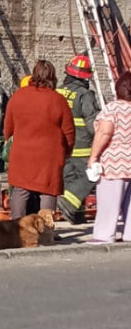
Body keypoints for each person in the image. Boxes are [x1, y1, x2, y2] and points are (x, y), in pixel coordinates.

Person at [4, 60, 75, 219]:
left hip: (22, 152)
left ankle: (17, 228)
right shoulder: (58, 100)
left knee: (20, 190)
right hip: (49, 154)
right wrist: (68, 150)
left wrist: (9, 141)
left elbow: (8, 127)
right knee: (48, 190)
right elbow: (69, 131)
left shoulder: (18, 96)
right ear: (52, 76)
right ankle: (46, 230)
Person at [87, 73, 131, 243]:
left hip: (114, 162)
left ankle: (104, 235)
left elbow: (104, 132)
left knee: (109, 201)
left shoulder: (113, 108)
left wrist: (94, 157)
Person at [57, 55, 101, 224]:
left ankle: (76, 215)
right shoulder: (85, 95)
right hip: (82, 147)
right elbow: (93, 123)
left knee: (69, 180)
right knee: (92, 176)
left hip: (62, 146)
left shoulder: (58, 91)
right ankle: (68, 203)